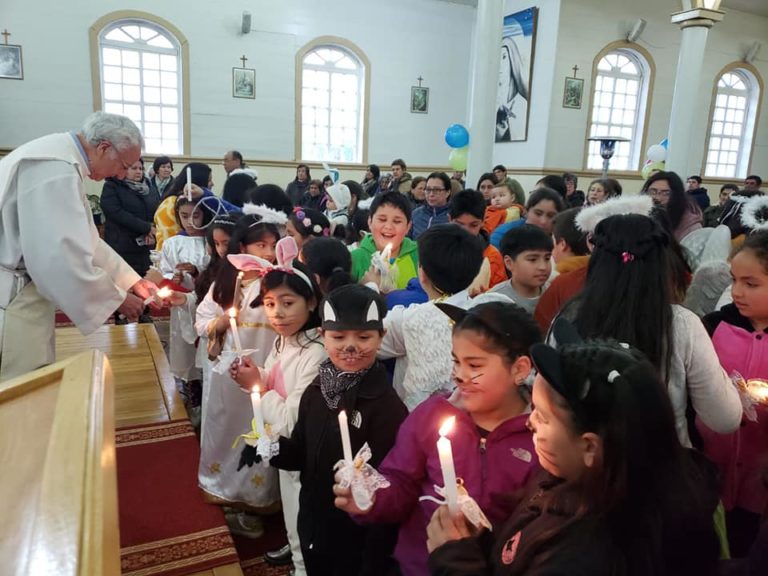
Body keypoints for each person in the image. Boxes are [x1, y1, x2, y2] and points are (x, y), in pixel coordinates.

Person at [427, 334, 723, 576]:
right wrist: (482, 544)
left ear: (590, 447)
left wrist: (455, 560)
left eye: (542, 417)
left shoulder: (591, 554)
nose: (529, 422)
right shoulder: (574, 478)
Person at [335, 301, 541, 576]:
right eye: (456, 361)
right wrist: (371, 497)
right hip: (420, 566)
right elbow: (401, 480)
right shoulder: (433, 415)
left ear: (519, 369)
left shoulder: (540, 436)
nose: (459, 375)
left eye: (474, 365)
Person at [558, 213, 741, 447]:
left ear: (596, 262)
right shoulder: (681, 324)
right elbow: (724, 418)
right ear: (663, 265)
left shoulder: (570, 316)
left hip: (585, 458)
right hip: (662, 464)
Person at [0, 111, 155, 380]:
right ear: (104, 148)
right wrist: (117, 299)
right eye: (123, 165)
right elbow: (59, 258)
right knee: (18, 389)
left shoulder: (62, 160)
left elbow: (86, 240)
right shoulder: (54, 168)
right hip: (12, 300)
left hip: (21, 293)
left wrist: (130, 281)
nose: (121, 176)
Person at [268, 284, 408, 576]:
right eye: (338, 337)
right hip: (315, 517)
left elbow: (392, 482)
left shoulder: (386, 406)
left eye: (364, 337)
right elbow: (300, 454)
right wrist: (273, 448)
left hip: (360, 532)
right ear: (322, 336)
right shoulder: (316, 390)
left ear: (381, 337)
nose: (350, 347)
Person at [230, 238, 328, 576]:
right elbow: (273, 378)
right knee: (292, 515)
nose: (278, 313)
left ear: (312, 302)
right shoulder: (284, 340)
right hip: (286, 453)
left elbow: (290, 421)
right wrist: (255, 374)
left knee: (304, 519)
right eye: (270, 304)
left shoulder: (317, 353)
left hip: (304, 455)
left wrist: (255, 387)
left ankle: (302, 568)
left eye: (288, 302)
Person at [698, 231, 768, 557]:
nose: (737, 292)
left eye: (751, 284)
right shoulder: (713, 327)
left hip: (761, 484)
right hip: (712, 471)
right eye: (734, 280)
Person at [377, 224, 490, 409]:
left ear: (422, 273)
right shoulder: (491, 309)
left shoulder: (410, 319)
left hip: (419, 423)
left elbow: (368, 341)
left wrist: (374, 290)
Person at [100, 156, 160, 283]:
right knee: (126, 282)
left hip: (145, 245)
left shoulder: (150, 187)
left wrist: (151, 229)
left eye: (141, 168)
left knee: (146, 281)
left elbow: (156, 211)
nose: (138, 171)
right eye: (134, 168)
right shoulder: (112, 186)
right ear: (123, 169)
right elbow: (115, 212)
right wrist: (146, 227)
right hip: (122, 244)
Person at [533, 208, 590, 333]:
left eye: (553, 241)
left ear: (562, 244)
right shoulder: (611, 274)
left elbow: (541, 328)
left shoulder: (558, 282)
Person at [351, 192, 419, 290]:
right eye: (382, 219)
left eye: (397, 221)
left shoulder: (419, 255)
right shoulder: (355, 258)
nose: (388, 227)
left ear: (408, 227)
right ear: (370, 222)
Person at [449, 189, 507, 290]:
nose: (466, 232)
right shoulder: (439, 249)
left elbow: (498, 297)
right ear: (449, 219)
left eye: (473, 225)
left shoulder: (492, 257)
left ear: (483, 221)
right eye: (459, 224)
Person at [490, 225, 553, 315]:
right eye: (532, 259)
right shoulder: (495, 300)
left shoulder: (554, 293)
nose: (543, 267)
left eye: (547, 258)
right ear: (509, 263)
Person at [153, 162, 216, 249]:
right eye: (209, 180)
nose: (212, 183)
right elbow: (168, 242)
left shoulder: (205, 201)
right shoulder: (171, 204)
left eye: (196, 216)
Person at [490, 188, 564, 249]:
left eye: (550, 216)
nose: (543, 221)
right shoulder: (503, 234)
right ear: (526, 211)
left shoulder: (563, 241)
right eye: (538, 213)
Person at [642, 170, 703, 242]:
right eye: (653, 192)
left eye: (666, 193)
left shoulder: (691, 226)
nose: (658, 198)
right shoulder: (640, 215)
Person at [411, 171, 453, 239]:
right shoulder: (416, 214)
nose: (431, 194)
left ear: (447, 192)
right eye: (428, 189)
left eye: (436, 190)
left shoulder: (454, 216)